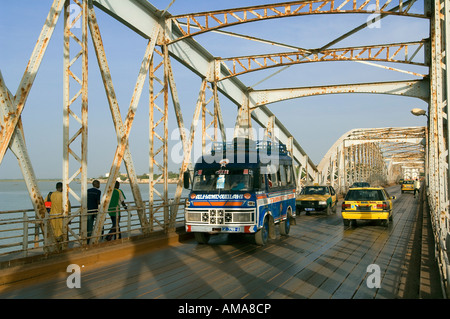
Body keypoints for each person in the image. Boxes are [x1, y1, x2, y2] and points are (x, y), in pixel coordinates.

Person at [49, 182, 71, 250]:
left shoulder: (50, 195)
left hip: (52, 217)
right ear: (62, 188)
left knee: (54, 234)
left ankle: (55, 248)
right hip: (62, 218)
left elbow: (46, 205)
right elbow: (68, 207)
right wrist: (69, 219)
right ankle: (62, 249)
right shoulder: (63, 196)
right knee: (62, 234)